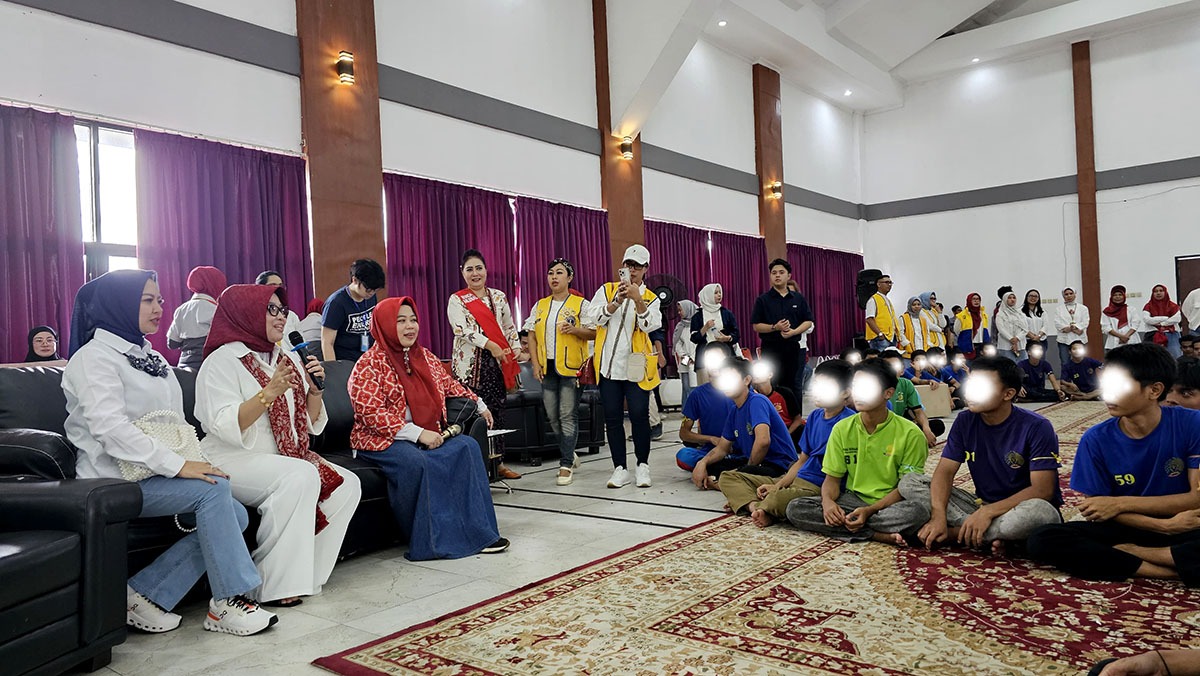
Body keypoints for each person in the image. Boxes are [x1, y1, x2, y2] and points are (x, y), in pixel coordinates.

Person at [63, 270, 277, 636]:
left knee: (236, 512)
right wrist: (178, 466)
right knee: (214, 494)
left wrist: (195, 462)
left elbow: (175, 424)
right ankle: (229, 601)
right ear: (118, 305)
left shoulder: (154, 357)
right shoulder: (93, 359)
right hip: (111, 479)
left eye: (160, 300)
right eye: (147, 300)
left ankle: (144, 593)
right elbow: (110, 430)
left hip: (154, 472)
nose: (159, 308)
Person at [196, 285, 361, 607]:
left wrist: (315, 391)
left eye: (282, 310)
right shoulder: (222, 361)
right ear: (245, 313)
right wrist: (268, 393)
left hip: (283, 455)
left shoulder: (284, 356)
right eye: (270, 309)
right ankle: (270, 584)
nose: (281, 317)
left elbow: (309, 422)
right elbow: (225, 424)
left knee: (347, 485)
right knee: (298, 475)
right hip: (232, 457)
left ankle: (306, 577)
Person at [348, 296, 509, 559]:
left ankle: (480, 533)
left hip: (429, 433)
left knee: (467, 446)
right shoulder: (368, 365)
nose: (409, 326)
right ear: (385, 325)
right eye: (400, 321)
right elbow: (370, 413)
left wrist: (479, 404)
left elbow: (450, 385)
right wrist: (417, 434)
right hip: (383, 440)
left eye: (413, 320)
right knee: (417, 462)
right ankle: (432, 541)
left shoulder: (425, 357)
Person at [1028, 344, 1200, 585]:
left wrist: (1119, 503)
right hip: (1130, 525)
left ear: (1154, 390)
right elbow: (1097, 509)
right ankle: (1165, 569)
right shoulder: (1095, 439)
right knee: (1043, 538)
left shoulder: (1192, 424)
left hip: (1186, 523)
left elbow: (1196, 498)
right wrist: (1162, 526)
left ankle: (1136, 556)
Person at [903, 357, 1063, 555]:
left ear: (1008, 394)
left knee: (1039, 514)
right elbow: (945, 472)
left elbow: (1043, 490)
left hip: (1021, 507)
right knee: (911, 482)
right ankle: (993, 535)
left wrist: (989, 512)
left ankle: (955, 534)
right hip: (979, 505)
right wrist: (938, 515)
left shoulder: (1037, 426)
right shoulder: (965, 420)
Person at [784, 359, 929, 545]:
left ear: (888, 393)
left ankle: (862, 527)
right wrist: (828, 502)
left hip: (890, 503)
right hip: (852, 499)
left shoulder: (910, 434)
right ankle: (876, 534)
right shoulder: (842, 428)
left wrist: (870, 511)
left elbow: (905, 488)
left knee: (918, 512)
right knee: (796, 508)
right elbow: (832, 479)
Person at [722, 359, 855, 528]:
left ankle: (758, 505)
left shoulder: (850, 423)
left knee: (782, 500)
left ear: (845, 393)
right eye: (816, 384)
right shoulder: (814, 417)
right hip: (797, 478)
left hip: (818, 486)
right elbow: (802, 460)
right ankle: (757, 506)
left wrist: (779, 492)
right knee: (728, 477)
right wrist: (778, 485)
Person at [588, 244, 661, 489]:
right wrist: (616, 302)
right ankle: (620, 468)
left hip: (637, 366)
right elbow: (594, 318)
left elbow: (650, 325)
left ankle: (642, 465)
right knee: (612, 418)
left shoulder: (651, 298)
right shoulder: (607, 290)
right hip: (608, 365)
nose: (632, 270)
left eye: (637, 266)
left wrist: (638, 299)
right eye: (628, 265)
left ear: (646, 269)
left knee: (639, 415)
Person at [448, 249, 523, 481]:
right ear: (462, 273)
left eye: (479, 268)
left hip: (497, 365)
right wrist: (489, 344)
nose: (475, 273)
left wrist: (515, 347)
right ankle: (475, 465)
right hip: (469, 368)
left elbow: (509, 326)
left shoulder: (498, 297)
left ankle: (498, 463)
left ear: (486, 270)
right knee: (473, 414)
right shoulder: (457, 299)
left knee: (497, 413)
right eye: (469, 269)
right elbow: (460, 330)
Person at [524, 258, 595, 486]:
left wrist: (575, 330)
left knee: (567, 414)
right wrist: (535, 364)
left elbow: (594, 332)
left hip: (572, 368)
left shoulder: (581, 304)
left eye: (559, 273)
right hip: (548, 367)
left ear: (569, 277)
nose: (554, 277)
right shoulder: (540, 305)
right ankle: (569, 450)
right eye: (551, 273)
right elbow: (531, 335)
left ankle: (565, 464)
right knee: (552, 415)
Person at [690, 358, 798, 491]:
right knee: (712, 466)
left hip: (778, 464)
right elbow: (722, 448)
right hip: (754, 462)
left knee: (735, 475)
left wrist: (746, 468)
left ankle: (725, 483)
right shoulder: (734, 410)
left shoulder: (757, 401)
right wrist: (703, 463)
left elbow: (763, 441)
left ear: (746, 380)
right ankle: (728, 481)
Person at [751, 259, 815, 402]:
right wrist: (775, 327)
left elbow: (808, 321)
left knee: (794, 385)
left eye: (781, 272)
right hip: (771, 349)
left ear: (788, 276)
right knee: (771, 384)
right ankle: (773, 413)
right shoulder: (763, 300)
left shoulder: (798, 299)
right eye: (774, 273)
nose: (777, 275)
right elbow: (756, 325)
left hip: (793, 348)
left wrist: (794, 332)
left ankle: (795, 415)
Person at [675, 343, 736, 471]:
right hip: (712, 450)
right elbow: (684, 433)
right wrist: (711, 439)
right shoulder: (697, 394)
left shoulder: (741, 389)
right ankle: (719, 465)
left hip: (739, 448)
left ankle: (713, 466)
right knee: (683, 456)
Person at [320, 259, 385, 362]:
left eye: (375, 290)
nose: (371, 293)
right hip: (346, 360)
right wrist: (333, 368)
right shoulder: (336, 303)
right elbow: (327, 342)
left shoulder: (370, 296)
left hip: (367, 357)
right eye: (368, 289)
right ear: (355, 280)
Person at [166, 265, 226, 370]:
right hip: (209, 366)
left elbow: (172, 343)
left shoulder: (181, 309)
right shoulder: (217, 310)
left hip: (184, 366)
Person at [881, 350, 943, 445]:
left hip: (899, 426)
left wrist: (926, 429)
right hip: (879, 428)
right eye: (887, 366)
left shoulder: (906, 384)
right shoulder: (874, 385)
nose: (891, 370)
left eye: (895, 366)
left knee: (937, 426)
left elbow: (918, 411)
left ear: (902, 370)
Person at [750, 359, 802, 445]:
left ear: (770, 374)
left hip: (788, 433)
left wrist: (786, 435)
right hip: (764, 434)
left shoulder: (785, 393)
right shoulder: (752, 397)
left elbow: (798, 419)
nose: (756, 374)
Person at [255, 270, 303, 351]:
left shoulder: (291, 316)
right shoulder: (255, 315)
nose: (278, 289)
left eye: (280, 286)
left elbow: (301, 342)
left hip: (292, 357)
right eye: (272, 285)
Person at [691, 283, 739, 352]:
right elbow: (694, 339)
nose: (719, 295)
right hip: (705, 352)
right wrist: (705, 328)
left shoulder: (727, 313)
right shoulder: (697, 316)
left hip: (724, 351)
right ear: (707, 295)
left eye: (720, 292)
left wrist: (727, 338)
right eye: (716, 293)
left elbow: (736, 334)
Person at [1054, 287, 1090, 368]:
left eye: (1071, 293)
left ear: (1075, 294)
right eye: (1066, 294)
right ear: (1063, 296)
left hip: (1079, 338)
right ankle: (1066, 376)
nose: (1069, 296)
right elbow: (1057, 323)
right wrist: (1070, 328)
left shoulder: (1083, 308)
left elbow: (1085, 321)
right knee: (1065, 362)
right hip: (1064, 339)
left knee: (1082, 362)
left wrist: (1074, 327)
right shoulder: (1059, 309)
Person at [1144, 284, 1183, 358]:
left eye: (1161, 291)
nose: (1158, 293)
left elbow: (1177, 319)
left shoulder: (1173, 306)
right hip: (1152, 334)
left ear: (1165, 292)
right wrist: (1166, 318)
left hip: (1171, 334)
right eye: (1156, 291)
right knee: (1152, 357)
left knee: (1174, 356)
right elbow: (1147, 319)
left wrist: (1162, 323)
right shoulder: (1148, 306)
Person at [1102, 285, 1143, 353]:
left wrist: (1126, 336)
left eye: (1120, 295)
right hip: (1113, 343)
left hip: (1131, 341)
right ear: (1111, 297)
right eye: (1115, 295)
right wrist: (1121, 336)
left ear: (1124, 296)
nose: (1117, 297)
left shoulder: (1131, 309)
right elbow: (1106, 327)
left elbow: (1136, 323)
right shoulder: (1106, 311)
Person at [864, 273, 898, 350]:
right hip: (880, 339)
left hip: (891, 337)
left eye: (890, 282)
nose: (889, 285)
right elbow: (869, 319)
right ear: (878, 284)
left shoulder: (887, 300)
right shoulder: (873, 300)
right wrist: (880, 334)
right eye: (886, 282)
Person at [994, 288, 1029, 363]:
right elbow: (1001, 329)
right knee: (1008, 366)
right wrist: (1012, 339)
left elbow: (1025, 329)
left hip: (1020, 345)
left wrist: (1017, 338)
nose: (1012, 300)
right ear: (1004, 299)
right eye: (1009, 298)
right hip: (1005, 345)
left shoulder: (1020, 314)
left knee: (1023, 365)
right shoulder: (1000, 314)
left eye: (1014, 298)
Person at [674, 300, 698, 402]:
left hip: (698, 359)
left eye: (681, 310)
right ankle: (686, 410)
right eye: (678, 310)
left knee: (696, 387)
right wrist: (684, 356)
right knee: (686, 387)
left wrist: (694, 358)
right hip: (684, 359)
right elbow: (677, 344)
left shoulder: (699, 324)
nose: (679, 313)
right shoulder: (680, 326)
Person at [954, 293, 991, 360]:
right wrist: (965, 338)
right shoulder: (962, 315)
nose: (976, 301)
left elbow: (985, 329)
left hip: (981, 345)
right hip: (968, 345)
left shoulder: (983, 314)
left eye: (978, 299)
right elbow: (956, 330)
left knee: (981, 365)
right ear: (969, 300)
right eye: (973, 299)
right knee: (968, 364)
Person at [1021, 289, 1049, 355]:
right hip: (1026, 341)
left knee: (1040, 360)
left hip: (1041, 341)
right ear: (1026, 297)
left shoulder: (1043, 312)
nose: (1033, 298)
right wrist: (1032, 337)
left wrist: (1038, 336)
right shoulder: (1020, 311)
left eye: (1035, 296)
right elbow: (1021, 326)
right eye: (1031, 296)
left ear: (1038, 299)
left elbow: (1045, 326)